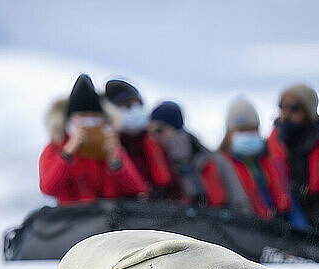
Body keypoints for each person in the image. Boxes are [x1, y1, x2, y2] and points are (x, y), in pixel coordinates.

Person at [39, 74, 148, 205]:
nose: (89, 121)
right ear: (69, 120)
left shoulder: (110, 145)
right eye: (82, 116)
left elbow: (137, 188)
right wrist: (67, 154)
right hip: (72, 218)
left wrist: (115, 163)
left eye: (95, 116)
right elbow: (48, 188)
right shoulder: (55, 147)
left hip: (109, 219)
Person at [217, 98, 309, 230]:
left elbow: (292, 208)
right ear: (229, 134)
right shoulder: (219, 165)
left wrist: (303, 237)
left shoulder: (272, 164)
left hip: (274, 234)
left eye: (252, 130)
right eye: (241, 131)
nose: (247, 135)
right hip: (241, 234)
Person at [266, 85, 319, 233]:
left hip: (310, 229)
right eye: (283, 107)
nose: (286, 114)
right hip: (274, 228)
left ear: (308, 112)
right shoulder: (268, 147)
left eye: (294, 108)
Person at [147, 101, 227, 206]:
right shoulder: (151, 155)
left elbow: (217, 199)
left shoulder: (203, 158)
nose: (154, 136)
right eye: (149, 132)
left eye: (159, 130)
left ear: (175, 129)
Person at [103, 79, 174, 198]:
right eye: (128, 105)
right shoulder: (106, 144)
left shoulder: (154, 141)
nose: (136, 110)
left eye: (139, 104)